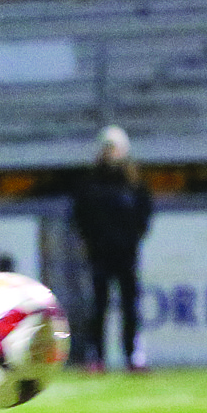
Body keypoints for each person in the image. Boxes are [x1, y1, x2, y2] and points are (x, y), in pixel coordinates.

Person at [70, 125, 152, 372]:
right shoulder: (90, 184)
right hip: (99, 255)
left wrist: (131, 240)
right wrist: (92, 242)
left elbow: (144, 215)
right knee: (98, 306)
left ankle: (133, 355)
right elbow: (80, 217)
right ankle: (97, 356)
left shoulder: (135, 184)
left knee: (130, 306)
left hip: (126, 255)